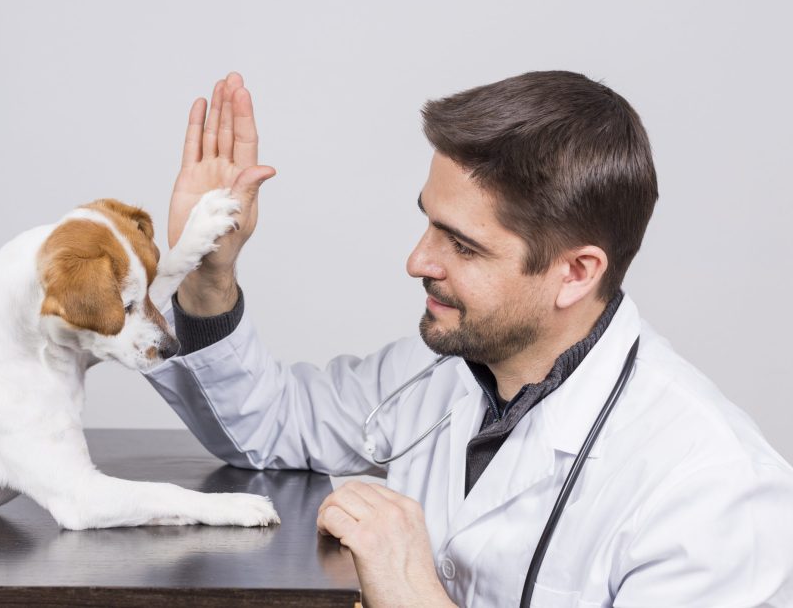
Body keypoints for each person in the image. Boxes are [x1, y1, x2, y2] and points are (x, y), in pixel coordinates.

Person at [143, 71, 793, 607]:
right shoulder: (442, 369)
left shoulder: (718, 497)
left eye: (462, 244)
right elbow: (266, 426)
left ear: (576, 272)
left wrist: (411, 592)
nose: (417, 260)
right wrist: (207, 273)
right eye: (429, 223)